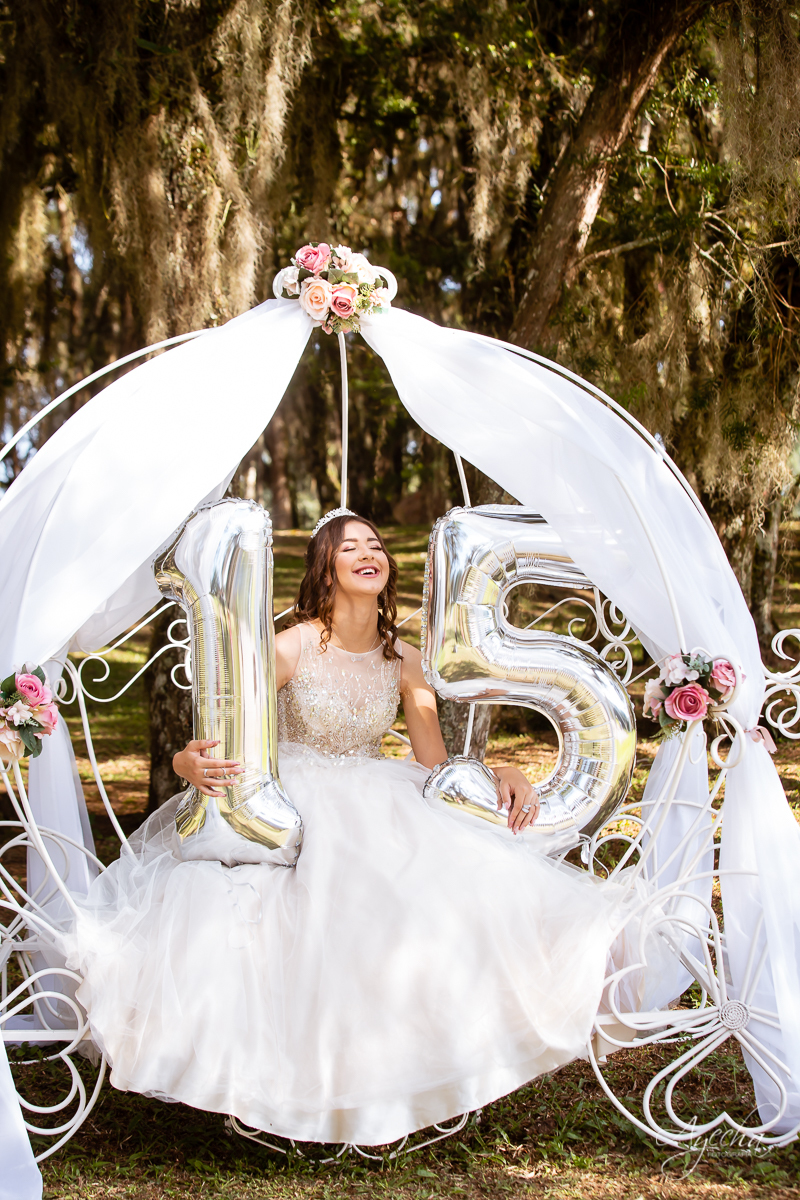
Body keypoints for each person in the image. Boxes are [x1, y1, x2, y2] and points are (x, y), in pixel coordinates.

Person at [63, 510, 628, 1147]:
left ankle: (390, 1073)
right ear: (325, 569)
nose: (369, 553)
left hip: (378, 792)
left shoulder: (405, 660)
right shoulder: (289, 646)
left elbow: (433, 764)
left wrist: (499, 771)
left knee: (426, 898)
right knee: (308, 913)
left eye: (376, 545)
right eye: (350, 546)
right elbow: (221, 736)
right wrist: (185, 762)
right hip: (294, 798)